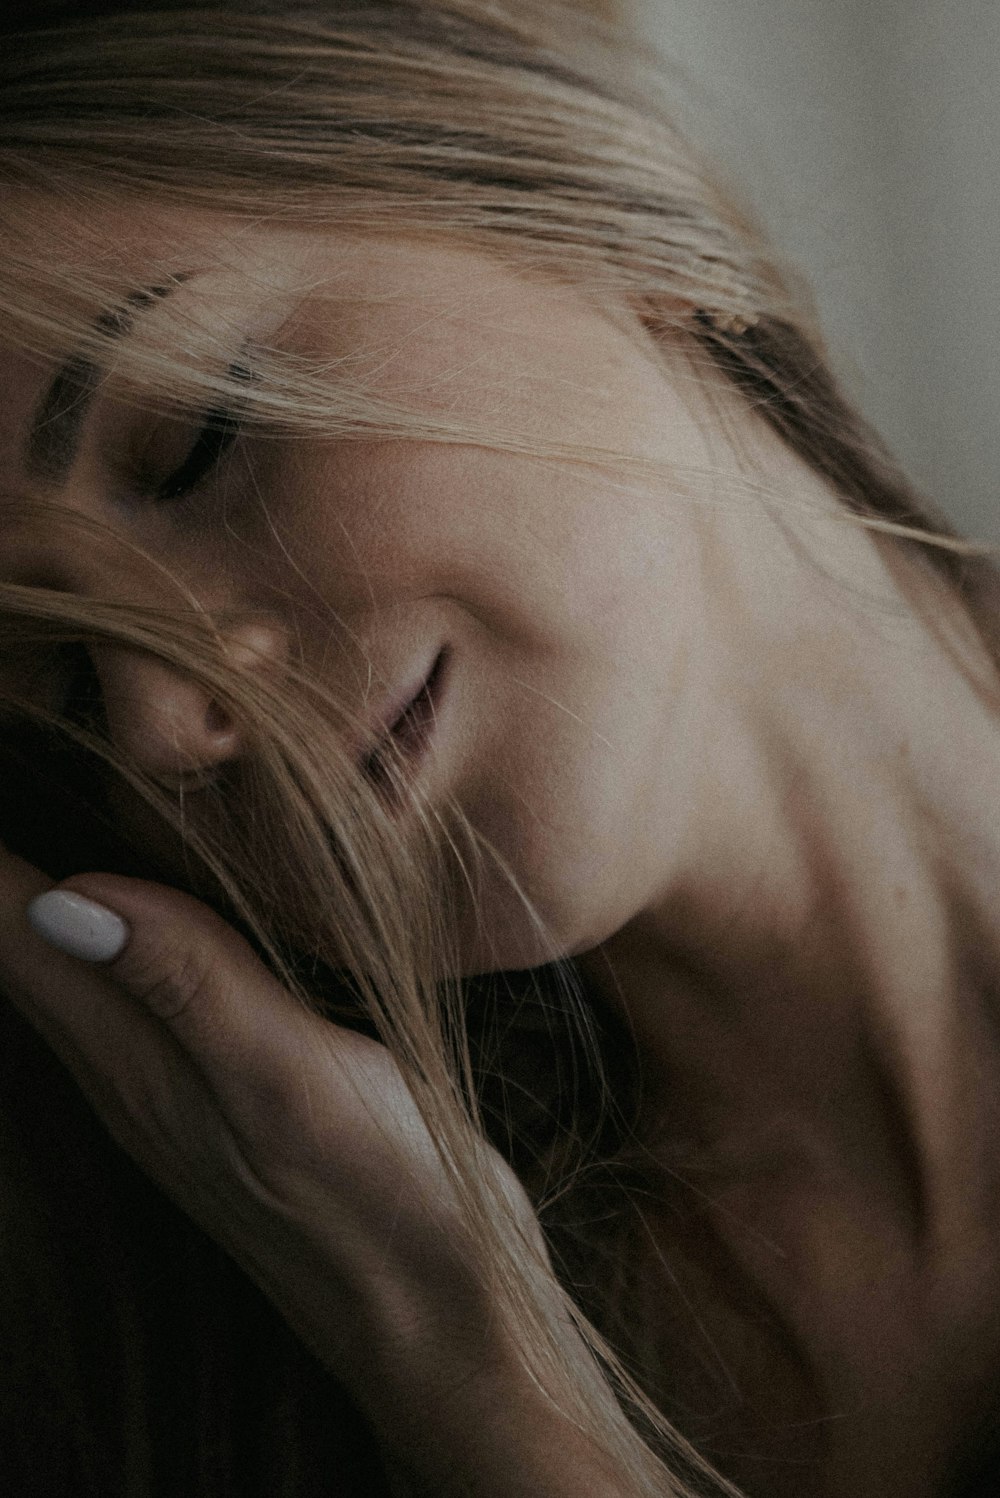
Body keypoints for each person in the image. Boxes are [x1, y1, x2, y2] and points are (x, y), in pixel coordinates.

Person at [0, 3, 998, 1495]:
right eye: (69, 679)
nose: (163, 719)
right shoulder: (227, 1308)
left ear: (588, 214)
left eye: (200, 441)